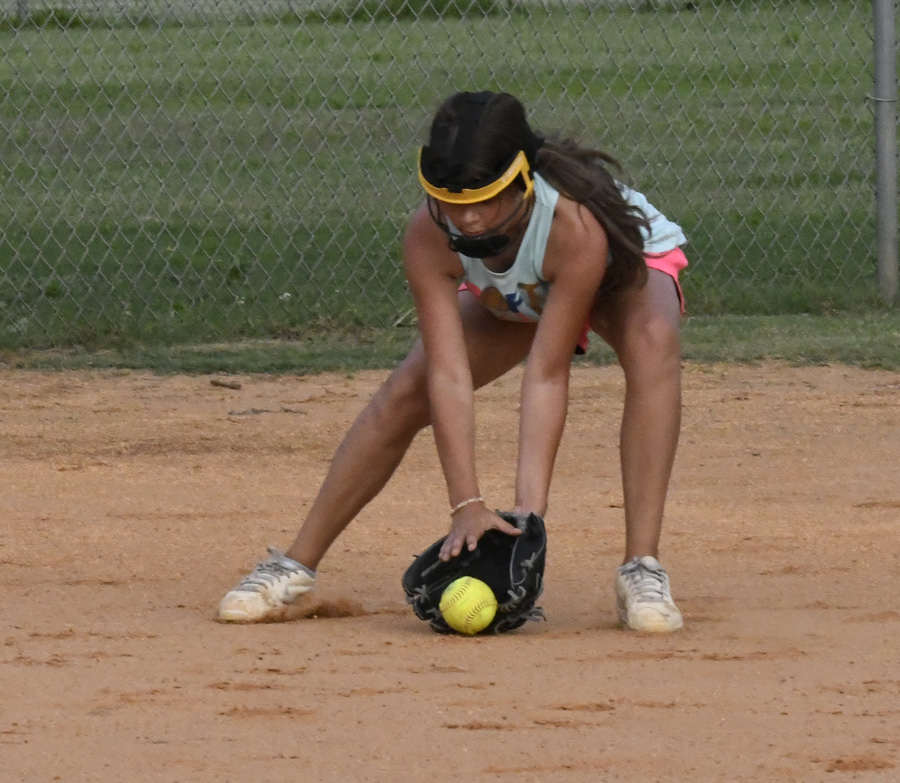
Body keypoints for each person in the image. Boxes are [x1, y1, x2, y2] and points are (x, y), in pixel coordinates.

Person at [218, 90, 688, 633]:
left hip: (619, 269)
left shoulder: (574, 228)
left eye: (485, 199)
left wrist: (525, 518)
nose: (466, 218)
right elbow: (448, 373)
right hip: (521, 286)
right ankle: (293, 565)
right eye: (449, 200)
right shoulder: (430, 234)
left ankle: (641, 567)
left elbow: (546, 373)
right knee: (405, 390)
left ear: (521, 181)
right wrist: (466, 502)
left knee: (652, 344)